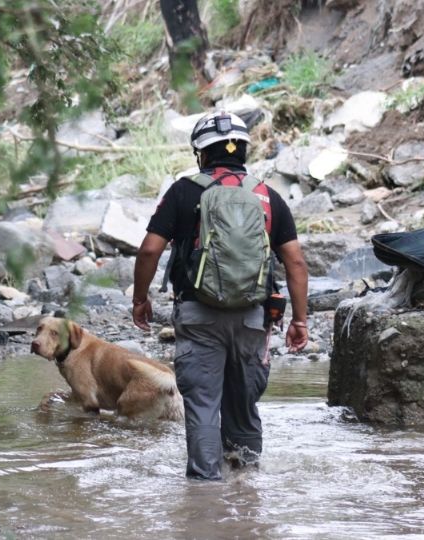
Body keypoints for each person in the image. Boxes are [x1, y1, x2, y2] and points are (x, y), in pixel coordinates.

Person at [131, 111, 309, 480]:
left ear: (202, 154)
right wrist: (300, 320)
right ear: (243, 151)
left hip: (198, 316)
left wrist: (140, 299)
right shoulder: (268, 197)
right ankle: (246, 490)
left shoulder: (184, 191)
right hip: (253, 317)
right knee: (242, 405)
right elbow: (296, 263)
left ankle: (203, 498)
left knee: (203, 405)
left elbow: (150, 250)